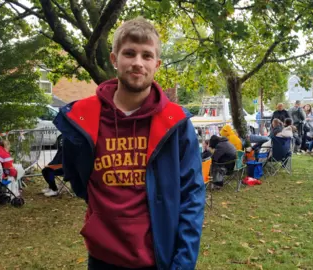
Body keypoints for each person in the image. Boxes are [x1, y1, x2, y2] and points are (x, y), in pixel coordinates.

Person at [53, 18, 205, 270]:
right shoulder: (82, 117)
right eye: (129, 53)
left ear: (156, 64)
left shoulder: (175, 123)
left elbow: (192, 197)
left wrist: (184, 263)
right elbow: (79, 181)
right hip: (103, 258)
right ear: (114, 59)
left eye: (147, 55)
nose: (137, 63)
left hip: (157, 257)